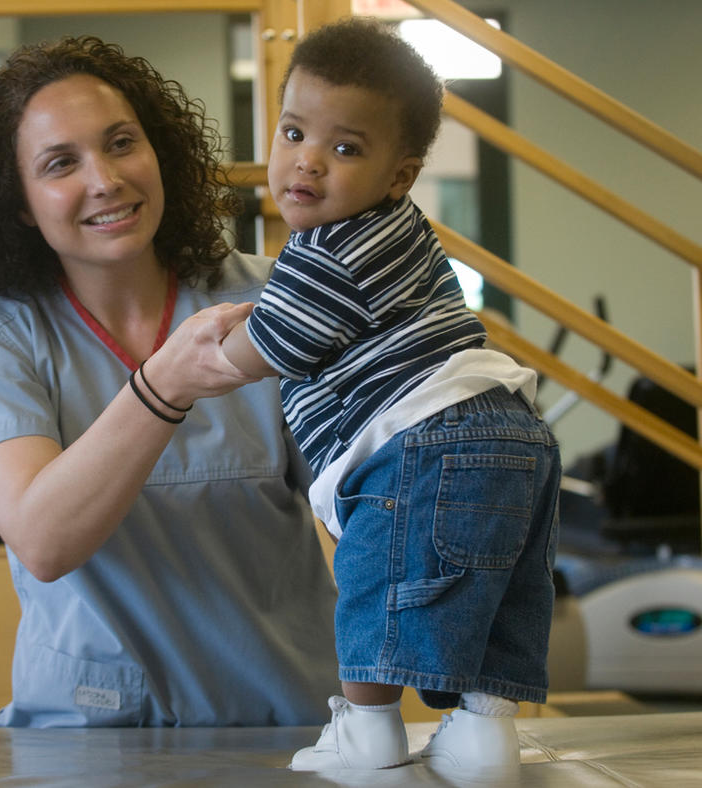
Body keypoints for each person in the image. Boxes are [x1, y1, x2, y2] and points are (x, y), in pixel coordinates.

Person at [0, 35, 339, 728]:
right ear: (19, 201)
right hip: (87, 737)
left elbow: (363, 497)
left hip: (284, 720)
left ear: (160, 152)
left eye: (121, 143)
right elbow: (44, 540)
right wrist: (162, 386)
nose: (106, 179)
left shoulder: (270, 299)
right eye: (61, 163)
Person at [221, 18, 561, 775]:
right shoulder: (401, 230)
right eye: (292, 131)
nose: (305, 162)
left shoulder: (329, 245)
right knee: (504, 587)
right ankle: (484, 737)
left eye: (344, 149)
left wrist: (197, 352)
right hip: (514, 429)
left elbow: (267, 348)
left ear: (398, 175)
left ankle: (368, 731)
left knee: (372, 581)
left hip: (427, 434)